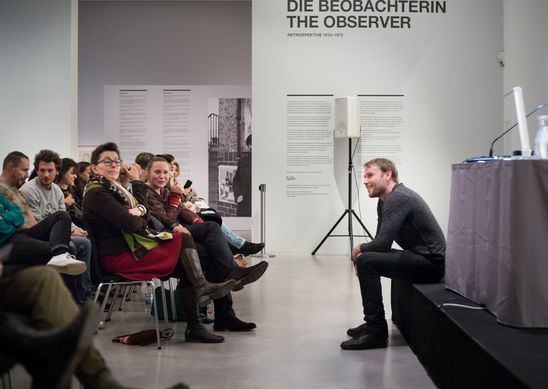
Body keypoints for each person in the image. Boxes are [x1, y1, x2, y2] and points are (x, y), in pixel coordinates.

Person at [82, 142, 237, 343]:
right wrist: (139, 195)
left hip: (136, 247)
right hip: (122, 256)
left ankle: (206, 314)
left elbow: (142, 216)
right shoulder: (97, 193)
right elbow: (133, 223)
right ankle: (207, 299)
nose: (113, 165)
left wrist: (139, 211)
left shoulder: (115, 190)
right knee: (196, 249)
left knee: (202, 252)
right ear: (95, 167)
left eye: (116, 161)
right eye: (107, 161)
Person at [0, 246, 187, 389]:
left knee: (44, 277)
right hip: (118, 254)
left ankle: (98, 378)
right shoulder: (99, 197)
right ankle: (95, 378)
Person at [144, 156, 269, 331]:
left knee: (212, 248)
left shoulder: (163, 191)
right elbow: (166, 219)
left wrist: (196, 221)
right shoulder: (146, 192)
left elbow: (181, 210)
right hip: (166, 238)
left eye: (165, 172)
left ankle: (224, 315)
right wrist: (175, 197)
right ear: (147, 172)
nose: (162, 176)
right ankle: (231, 274)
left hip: (179, 234)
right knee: (212, 230)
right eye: (157, 172)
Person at [341, 158, 446, 350]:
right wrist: (364, 254)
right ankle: (373, 325)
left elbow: (381, 244)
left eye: (370, 175)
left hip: (431, 264)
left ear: (388, 174)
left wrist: (359, 251)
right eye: (364, 176)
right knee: (366, 260)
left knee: (366, 261)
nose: (364, 180)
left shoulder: (399, 197)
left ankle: (376, 333)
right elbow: (380, 241)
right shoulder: (385, 201)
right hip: (417, 257)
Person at [20, 150, 93, 303]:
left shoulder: (57, 190)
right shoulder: (29, 190)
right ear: (37, 170)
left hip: (58, 234)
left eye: (50, 170)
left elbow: (65, 219)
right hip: (37, 235)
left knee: (85, 243)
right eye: (42, 170)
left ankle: (84, 296)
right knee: (71, 246)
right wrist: (69, 234)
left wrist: (78, 231)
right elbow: (38, 224)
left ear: (57, 171)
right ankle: (69, 299)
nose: (46, 174)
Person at [0, 151, 86, 276]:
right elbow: (13, 221)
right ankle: (60, 257)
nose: (26, 175)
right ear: (10, 168)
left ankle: (62, 260)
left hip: (29, 232)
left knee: (62, 217)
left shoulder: (16, 190)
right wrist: (17, 217)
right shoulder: (6, 189)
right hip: (15, 237)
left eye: (50, 170)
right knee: (64, 243)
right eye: (24, 170)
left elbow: (27, 218)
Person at [232, 134, 252, 216]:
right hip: (244, 202)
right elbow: (236, 180)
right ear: (249, 146)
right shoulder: (243, 161)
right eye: (251, 144)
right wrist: (238, 194)